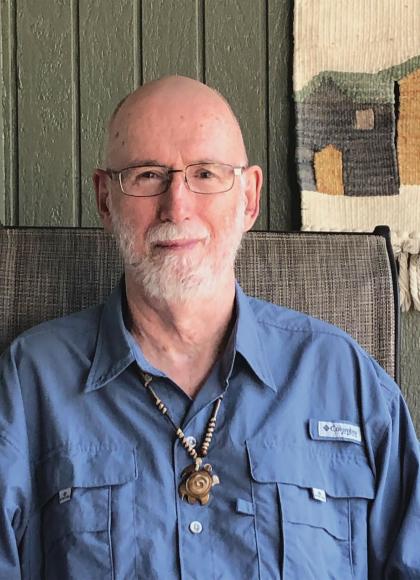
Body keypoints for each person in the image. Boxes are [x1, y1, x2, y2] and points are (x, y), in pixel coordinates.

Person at [0, 75, 419, 580]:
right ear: (106, 200)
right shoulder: (29, 382)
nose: (177, 206)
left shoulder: (344, 378)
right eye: (147, 175)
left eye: (204, 173)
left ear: (249, 198)